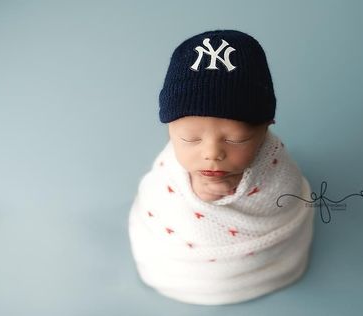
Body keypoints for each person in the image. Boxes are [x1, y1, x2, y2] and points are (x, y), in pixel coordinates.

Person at [128, 29, 315, 305]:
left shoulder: (275, 164)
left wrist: (239, 189)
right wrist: (195, 192)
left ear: (265, 129)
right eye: (190, 139)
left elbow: (283, 198)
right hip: (180, 266)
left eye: (235, 139)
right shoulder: (170, 169)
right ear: (169, 129)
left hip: (257, 268)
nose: (212, 153)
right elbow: (161, 201)